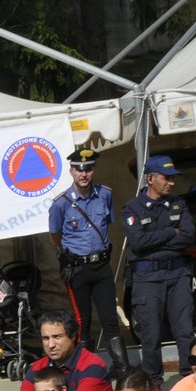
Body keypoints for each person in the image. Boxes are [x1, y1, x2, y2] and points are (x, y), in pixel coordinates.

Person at [49, 147, 126, 377]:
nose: (84, 174)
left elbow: (109, 222)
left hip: (101, 265)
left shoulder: (105, 194)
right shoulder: (61, 203)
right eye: (79, 169)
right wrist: (67, 256)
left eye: (89, 169)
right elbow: (55, 236)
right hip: (78, 268)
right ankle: (84, 371)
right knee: (82, 322)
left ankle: (122, 368)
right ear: (71, 171)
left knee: (110, 318)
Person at [122, 155, 195, 388]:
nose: (171, 183)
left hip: (177, 275)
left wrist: (162, 239)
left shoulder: (177, 204)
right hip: (147, 279)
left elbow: (188, 236)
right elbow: (138, 243)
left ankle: (189, 378)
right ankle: (153, 384)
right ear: (150, 178)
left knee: (185, 331)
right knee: (151, 335)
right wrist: (170, 233)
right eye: (167, 178)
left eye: (173, 178)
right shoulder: (132, 208)